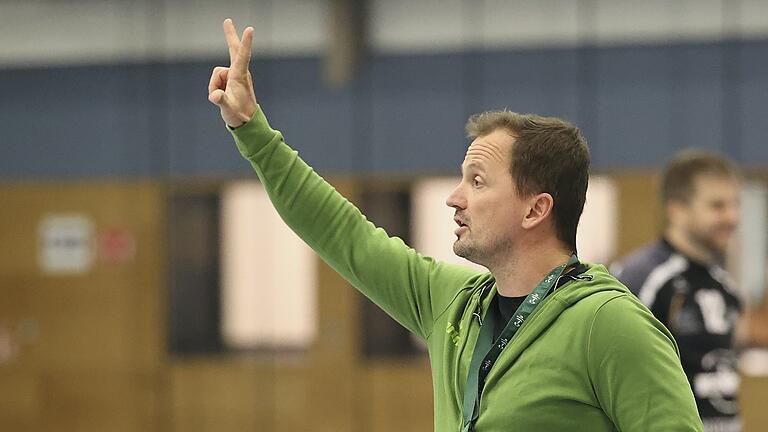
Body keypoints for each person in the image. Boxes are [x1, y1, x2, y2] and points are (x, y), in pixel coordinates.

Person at [208, 19, 702, 431]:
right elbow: (343, 233)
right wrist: (251, 129)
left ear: (536, 209)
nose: (454, 198)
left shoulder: (609, 326)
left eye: (478, 181)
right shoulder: (453, 305)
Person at [612, 150, 742, 432]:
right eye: (718, 206)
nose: (732, 217)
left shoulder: (725, 286)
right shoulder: (643, 277)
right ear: (676, 210)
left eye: (735, 204)